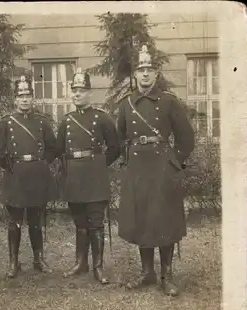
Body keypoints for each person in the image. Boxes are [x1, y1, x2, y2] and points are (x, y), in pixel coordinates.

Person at [116, 45, 195, 296]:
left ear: (156, 73)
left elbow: (186, 137)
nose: (145, 74)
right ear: (136, 75)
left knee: (164, 219)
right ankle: (147, 272)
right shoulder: (127, 104)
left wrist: (175, 163)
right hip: (138, 169)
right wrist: (127, 164)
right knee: (142, 220)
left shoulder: (169, 101)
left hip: (163, 169)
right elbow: (120, 139)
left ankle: (166, 275)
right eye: (141, 70)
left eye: (149, 69)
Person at [56, 68, 120, 284]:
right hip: (74, 176)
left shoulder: (102, 119)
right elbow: (60, 149)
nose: (76, 94)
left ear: (89, 93)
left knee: (95, 222)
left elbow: (115, 148)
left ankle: (98, 267)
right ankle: (80, 263)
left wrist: (100, 165)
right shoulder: (66, 121)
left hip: (94, 176)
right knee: (80, 222)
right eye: (74, 90)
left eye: (81, 90)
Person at [0, 75, 58, 279]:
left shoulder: (42, 122)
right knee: (15, 222)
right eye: (21, 95)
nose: (24, 99)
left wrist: (42, 163)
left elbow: (53, 148)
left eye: (28, 95)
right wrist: (9, 165)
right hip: (16, 176)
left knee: (36, 220)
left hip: (37, 176)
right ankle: (13, 262)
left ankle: (38, 259)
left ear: (33, 98)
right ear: (15, 99)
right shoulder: (6, 123)